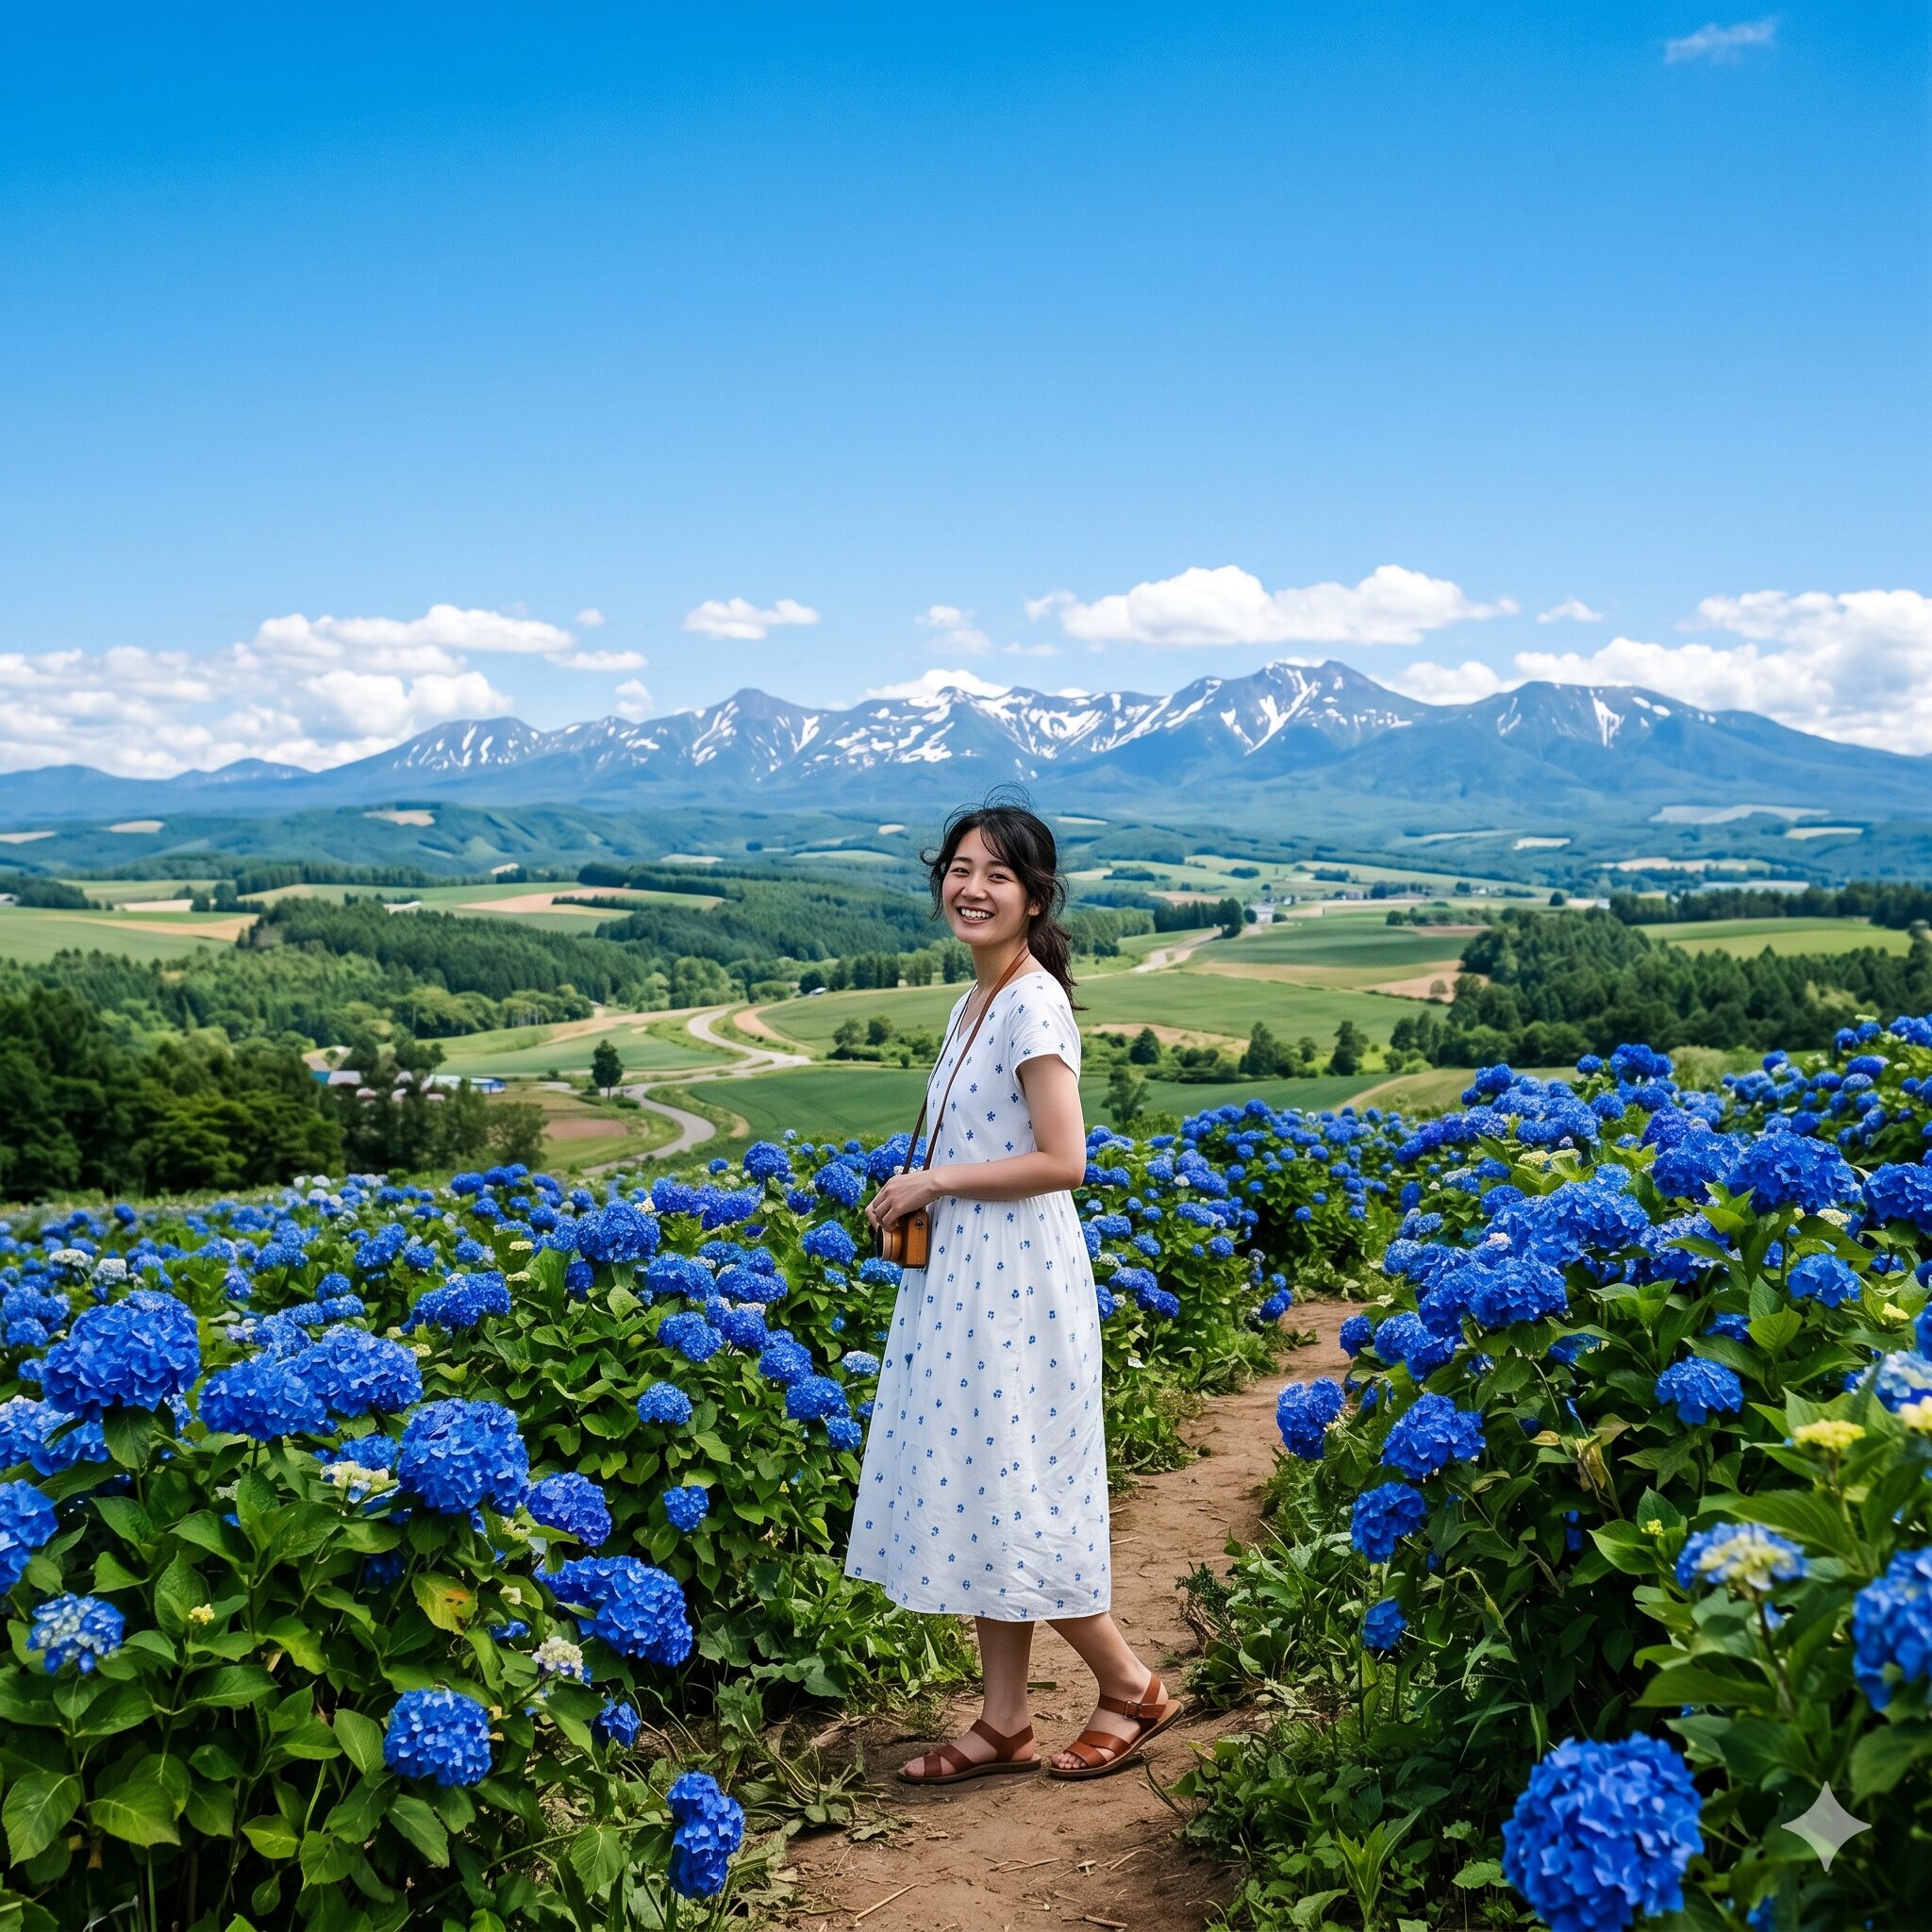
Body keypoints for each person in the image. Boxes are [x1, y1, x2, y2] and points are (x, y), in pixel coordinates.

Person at [846, 799, 1183, 1782]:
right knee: (984, 1482)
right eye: (959, 869)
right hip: (969, 1274)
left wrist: (935, 1181)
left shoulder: (1031, 1003)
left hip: (1015, 1281)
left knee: (1018, 1489)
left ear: (1034, 898)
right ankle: (1004, 1721)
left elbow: (1064, 1159)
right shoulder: (976, 997)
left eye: (997, 874)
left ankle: (1130, 1685)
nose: (972, 888)